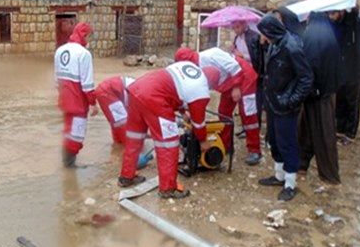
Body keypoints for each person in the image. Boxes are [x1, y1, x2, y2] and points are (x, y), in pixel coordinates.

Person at [119, 48, 210, 199]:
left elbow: (173, 88)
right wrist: (203, 140)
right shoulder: (201, 87)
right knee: (168, 144)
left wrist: (182, 112)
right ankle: (168, 188)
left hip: (136, 90)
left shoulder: (183, 67)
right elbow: (199, 122)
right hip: (155, 99)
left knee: (134, 139)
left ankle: (126, 177)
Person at [257, 14, 313, 201]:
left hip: (285, 103)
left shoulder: (292, 47)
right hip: (273, 101)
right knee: (274, 139)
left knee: (287, 142)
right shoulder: (274, 44)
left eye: (263, 33)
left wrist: (292, 101)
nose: (262, 37)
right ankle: (279, 175)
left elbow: (306, 78)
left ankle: (290, 183)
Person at [177, 47, 262, 166]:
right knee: (223, 112)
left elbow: (235, 68)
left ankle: (254, 150)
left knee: (248, 115)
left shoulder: (212, 55)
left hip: (244, 78)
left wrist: (237, 87)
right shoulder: (194, 69)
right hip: (228, 83)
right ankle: (225, 145)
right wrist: (188, 110)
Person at [299, 12, 343, 184]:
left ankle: (330, 174)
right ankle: (301, 164)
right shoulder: (327, 32)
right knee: (306, 131)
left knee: (323, 133)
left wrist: (310, 89)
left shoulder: (313, 35)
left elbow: (310, 63)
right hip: (324, 90)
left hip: (318, 93)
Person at [54, 22, 98, 168]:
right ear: (84, 35)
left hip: (64, 99)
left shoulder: (60, 50)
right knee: (77, 134)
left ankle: (65, 163)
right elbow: (87, 84)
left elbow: (56, 79)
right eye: (89, 36)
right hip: (78, 101)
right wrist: (93, 103)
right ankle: (69, 166)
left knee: (68, 129)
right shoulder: (84, 54)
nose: (89, 40)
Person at [336, 7, 360, 144]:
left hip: (355, 74)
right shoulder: (347, 30)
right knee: (342, 100)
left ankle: (350, 133)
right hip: (345, 72)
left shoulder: (359, 32)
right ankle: (340, 129)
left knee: (352, 103)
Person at [95, 76, 135, 145]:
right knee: (121, 122)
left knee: (117, 121)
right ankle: (128, 147)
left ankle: (118, 145)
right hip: (109, 90)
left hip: (109, 89)